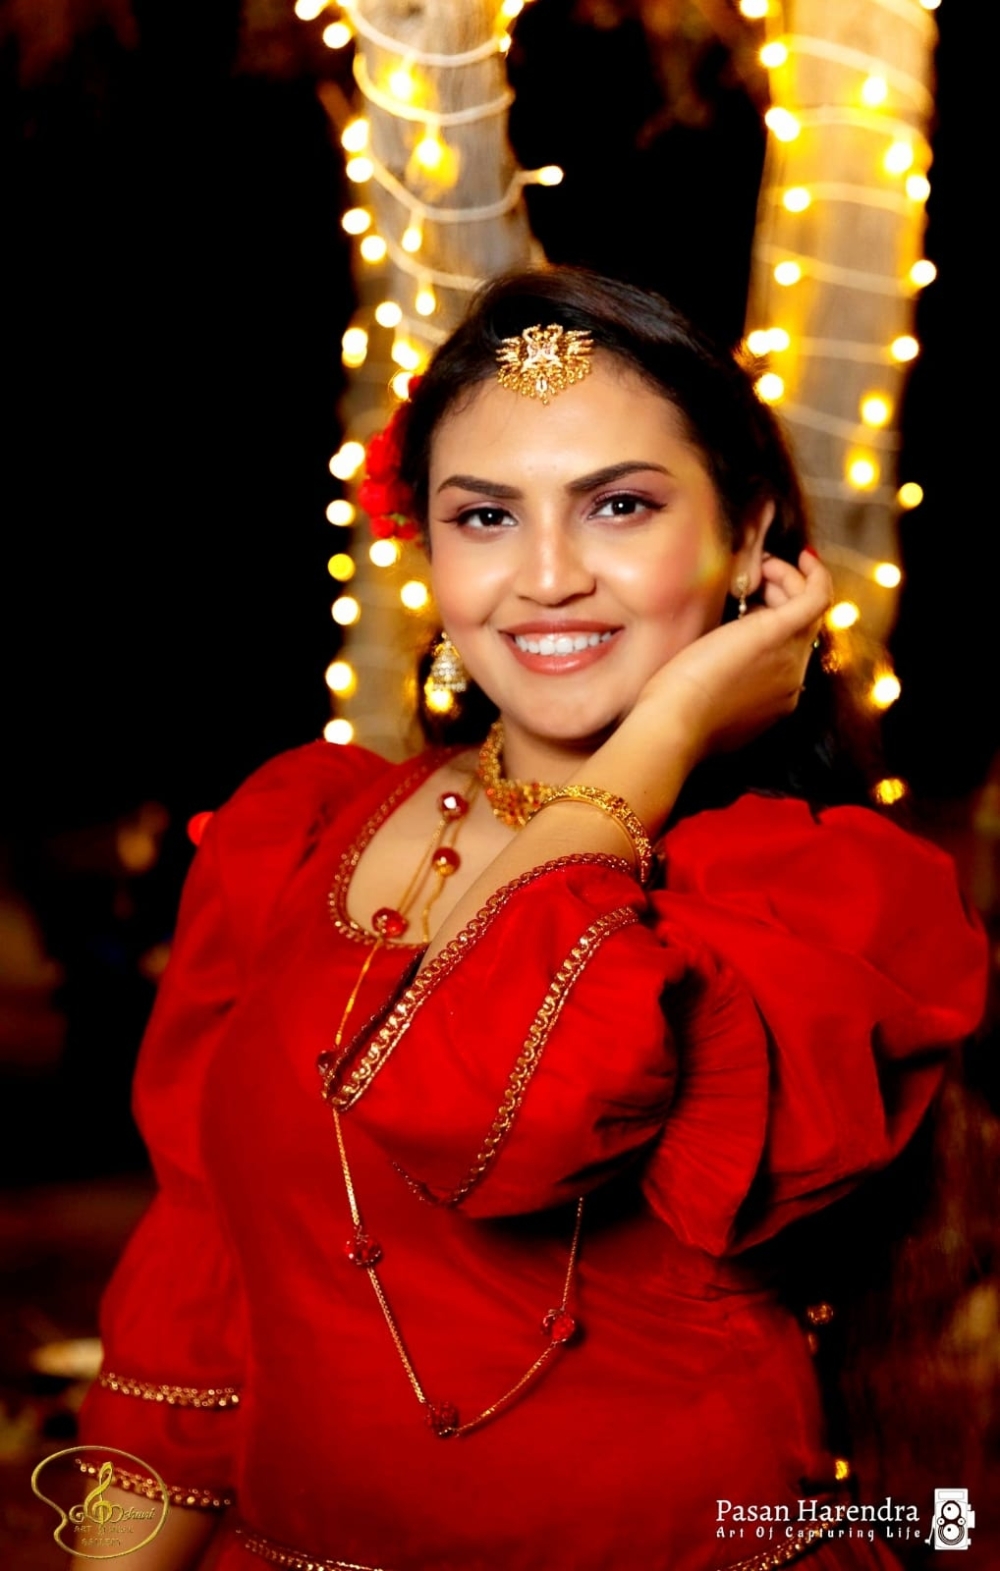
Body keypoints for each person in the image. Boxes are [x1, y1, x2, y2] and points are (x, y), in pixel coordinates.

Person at [77, 269, 986, 1571]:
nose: (548, 577)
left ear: (750, 539)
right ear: (429, 551)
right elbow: (187, 1329)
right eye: (487, 517)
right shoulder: (298, 833)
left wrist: (665, 732)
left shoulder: (825, 893)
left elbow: (487, 1095)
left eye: (620, 506)